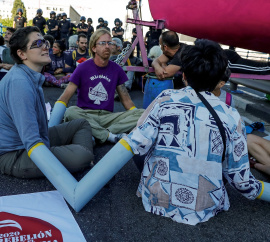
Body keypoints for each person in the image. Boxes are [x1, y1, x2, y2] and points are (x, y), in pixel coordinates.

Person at [122, 39, 262, 225]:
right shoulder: (231, 115)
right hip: (204, 206)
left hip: (156, 200)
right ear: (219, 81)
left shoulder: (166, 98)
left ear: (184, 75)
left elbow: (137, 143)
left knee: (141, 142)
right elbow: (241, 181)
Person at [0, 26, 94, 179]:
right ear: (22, 54)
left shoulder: (29, 74)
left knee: (81, 124)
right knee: (82, 156)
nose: (45, 46)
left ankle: (84, 158)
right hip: (15, 154)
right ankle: (86, 159)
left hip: (36, 138)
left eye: (44, 42)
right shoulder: (19, 83)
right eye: (37, 44)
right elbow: (32, 142)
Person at [54, 29, 144, 144]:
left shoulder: (116, 69)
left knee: (143, 113)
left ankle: (99, 134)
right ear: (93, 48)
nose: (107, 46)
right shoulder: (82, 68)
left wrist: (137, 117)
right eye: (102, 43)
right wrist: (53, 121)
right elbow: (65, 97)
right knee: (70, 112)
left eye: (109, 43)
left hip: (108, 117)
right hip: (85, 116)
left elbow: (127, 101)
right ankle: (108, 136)